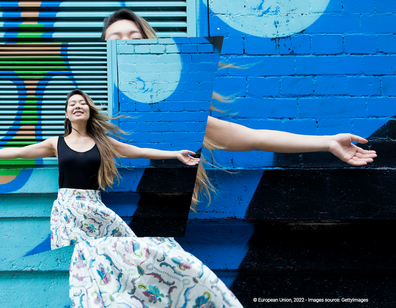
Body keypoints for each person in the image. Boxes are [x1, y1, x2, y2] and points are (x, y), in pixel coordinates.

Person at [0, 89, 243, 307]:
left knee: (137, 247)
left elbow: (135, 151)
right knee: (87, 259)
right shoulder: (56, 143)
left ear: (88, 110)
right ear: (66, 114)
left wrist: (175, 155)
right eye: (72, 103)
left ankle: (172, 283)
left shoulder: (102, 143)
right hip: (67, 210)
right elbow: (21, 152)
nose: (77, 105)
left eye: (82, 102)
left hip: (95, 208)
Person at [101, 8, 377, 204]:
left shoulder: (173, 116)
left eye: (134, 39)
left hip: (146, 234)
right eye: (115, 40)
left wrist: (328, 142)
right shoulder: (85, 112)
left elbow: (254, 138)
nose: (125, 46)